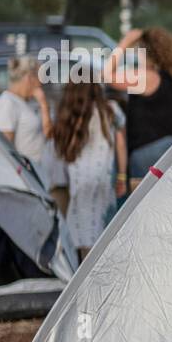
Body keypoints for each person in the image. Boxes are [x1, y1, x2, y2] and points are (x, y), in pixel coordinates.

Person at [103, 26, 172, 191]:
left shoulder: (148, 77)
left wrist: (124, 43)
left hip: (147, 150)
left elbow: (106, 76)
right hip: (171, 146)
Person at [52, 81, 126, 261]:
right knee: (102, 223)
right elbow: (121, 144)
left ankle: (82, 267)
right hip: (103, 178)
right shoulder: (110, 109)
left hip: (79, 181)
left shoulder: (69, 113)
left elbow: (63, 149)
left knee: (80, 224)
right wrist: (122, 175)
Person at [0, 54, 52, 182]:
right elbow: (5, 146)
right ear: (29, 77)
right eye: (39, 77)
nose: (41, 83)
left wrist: (44, 105)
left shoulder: (29, 101)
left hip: (38, 174)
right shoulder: (7, 102)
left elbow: (47, 133)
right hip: (26, 177)